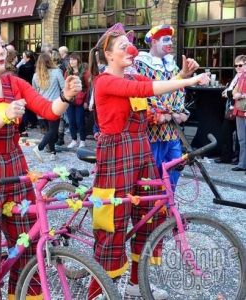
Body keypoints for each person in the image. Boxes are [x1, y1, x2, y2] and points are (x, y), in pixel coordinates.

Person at [0, 24, 81, 300]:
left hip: (14, 168)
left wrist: (66, 96)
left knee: (30, 246)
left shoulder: (13, 82)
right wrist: (3, 116)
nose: (1, 51)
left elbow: (48, 111)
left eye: (1, 45)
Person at [87, 23, 209, 300]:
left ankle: (134, 282)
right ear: (108, 56)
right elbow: (150, 89)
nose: (130, 49)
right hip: (116, 155)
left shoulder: (132, 78)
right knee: (112, 224)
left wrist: (182, 75)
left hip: (140, 151)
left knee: (147, 217)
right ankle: (96, 292)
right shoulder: (105, 81)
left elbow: (159, 90)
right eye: (122, 47)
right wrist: (190, 81)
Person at [134, 25, 199, 193]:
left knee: (175, 170)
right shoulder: (142, 65)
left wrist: (179, 111)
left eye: (171, 39)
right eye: (166, 39)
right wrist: (165, 114)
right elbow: (146, 93)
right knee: (153, 175)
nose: (171, 43)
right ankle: (153, 212)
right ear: (154, 42)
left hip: (172, 133)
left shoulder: (173, 66)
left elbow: (180, 90)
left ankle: (169, 210)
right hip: (152, 134)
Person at [32, 53, 65, 162]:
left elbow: (34, 92)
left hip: (40, 105)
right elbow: (64, 87)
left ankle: (53, 152)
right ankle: (39, 147)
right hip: (54, 105)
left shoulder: (36, 75)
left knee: (49, 131)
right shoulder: (57, 72)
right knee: (53, 130)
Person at [214, 55, 245, 164]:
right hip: (233, 108)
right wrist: (228, 91)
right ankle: (227, 156)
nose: (237, 68)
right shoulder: (238, 76)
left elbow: (238, 92)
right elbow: (233, 90)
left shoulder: (243, 77)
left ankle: (239, 159)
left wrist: (228, 93)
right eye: (236, 66)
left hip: (241, 108)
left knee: (241, 137)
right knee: (226, 131)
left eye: (240, 65)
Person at [65, 53, 90, 148]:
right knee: (71, 121)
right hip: (70, 100)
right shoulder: (67, 72)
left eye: (74, 59)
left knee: (79, 120)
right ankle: (74, 139)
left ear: (78, 60)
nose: (71, 61)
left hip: (80, 99)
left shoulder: (85, 72)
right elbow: (65, 87)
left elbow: (88, 87)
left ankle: (82, 140)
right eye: (70, 59)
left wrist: (86, 101)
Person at [18, 50, 37, 133]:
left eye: (24, 56)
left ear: (27, 57)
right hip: (32, 87)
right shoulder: (35, 65)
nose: (22, 58)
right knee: (32, 105)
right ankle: (33, 122)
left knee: (25, 106)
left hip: (24, 87)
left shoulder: (22, 67)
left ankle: (25, 123)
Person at [232, 68, 246, 172]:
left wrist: (241, 95)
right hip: (240, 108)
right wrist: (235, 93)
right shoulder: (242, 75)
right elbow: (235, 89)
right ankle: (242, 163)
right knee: (241, 139)